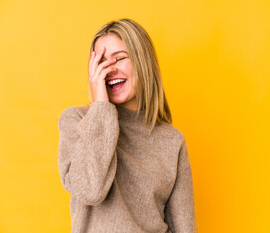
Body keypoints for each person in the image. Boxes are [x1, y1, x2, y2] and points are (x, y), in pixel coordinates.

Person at [57, 18, 198, 233]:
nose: (109, 69)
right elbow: (89, 190)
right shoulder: (76, 121)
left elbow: (184, 228)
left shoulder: (172, 140)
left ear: (143, 62)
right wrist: (101, 107)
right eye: (101, 62)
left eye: (119, 58)